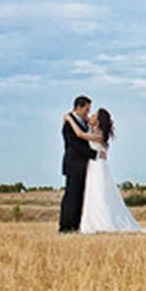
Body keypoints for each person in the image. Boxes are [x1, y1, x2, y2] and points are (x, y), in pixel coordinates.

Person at [62, 107, 146, 234]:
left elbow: (79, 134)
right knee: (92, 193)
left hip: (98, 166)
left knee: (99, 193)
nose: (90, 117)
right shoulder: (94, 129)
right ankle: (93, 221)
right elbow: (83, 118)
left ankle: (102, 221)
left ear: (98, 121)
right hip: (92, 166)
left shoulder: (99, 134)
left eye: (94, 116)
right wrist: (70, 116)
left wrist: (69, 119)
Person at [58, 96, 99, 233]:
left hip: (83, 165)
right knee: (71, 195)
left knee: (79, 196)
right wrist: (94, 154)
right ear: (78, 107)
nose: (88, 112)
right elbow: (75, 144)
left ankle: (75, 225)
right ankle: (65, 226)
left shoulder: (81, 122)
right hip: (73, 164)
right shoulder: (69, 123)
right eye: (86, 109)